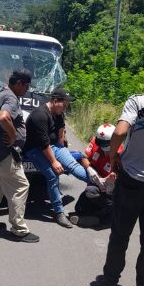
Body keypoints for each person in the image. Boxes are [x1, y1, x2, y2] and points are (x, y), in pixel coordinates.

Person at [102, 94, 144, 286]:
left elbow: (120, 131)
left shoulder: (137, 101)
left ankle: (109, 283)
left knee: (120, 235)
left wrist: (113, 155)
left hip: (132, 177)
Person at [0, 69, 39, 243]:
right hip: (5, 153)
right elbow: (4, 117)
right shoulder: (11, 98)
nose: (27, 90)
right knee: (21, 186)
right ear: (19, 83)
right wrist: (13, 136)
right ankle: (19, 230)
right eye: (26, 86)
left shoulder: (0, 92)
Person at [23, 87, 91, 228]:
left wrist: (63, 151)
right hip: (35, 149)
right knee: (53, 176)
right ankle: (58, 212)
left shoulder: (59, 113)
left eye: (67, 105)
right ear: (54, 101)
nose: (65, 108)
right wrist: (54, 161)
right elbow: (43, 144)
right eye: (64, 104)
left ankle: (100, 183)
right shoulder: (39, 115)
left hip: (52, 145)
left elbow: (60, 133)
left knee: (73, 165)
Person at [70, 123, 121, 228]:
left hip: (111, 190)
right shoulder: (95, 143)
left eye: (105, 144)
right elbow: (83, 157)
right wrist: (89, 169)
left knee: (92, 191)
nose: (102, 146)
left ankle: (108, 217)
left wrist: (113, 181)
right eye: (100, 143)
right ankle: (97, 214)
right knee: (79, 209)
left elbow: (122, 174)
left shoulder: (121, 153)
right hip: (97, 183)